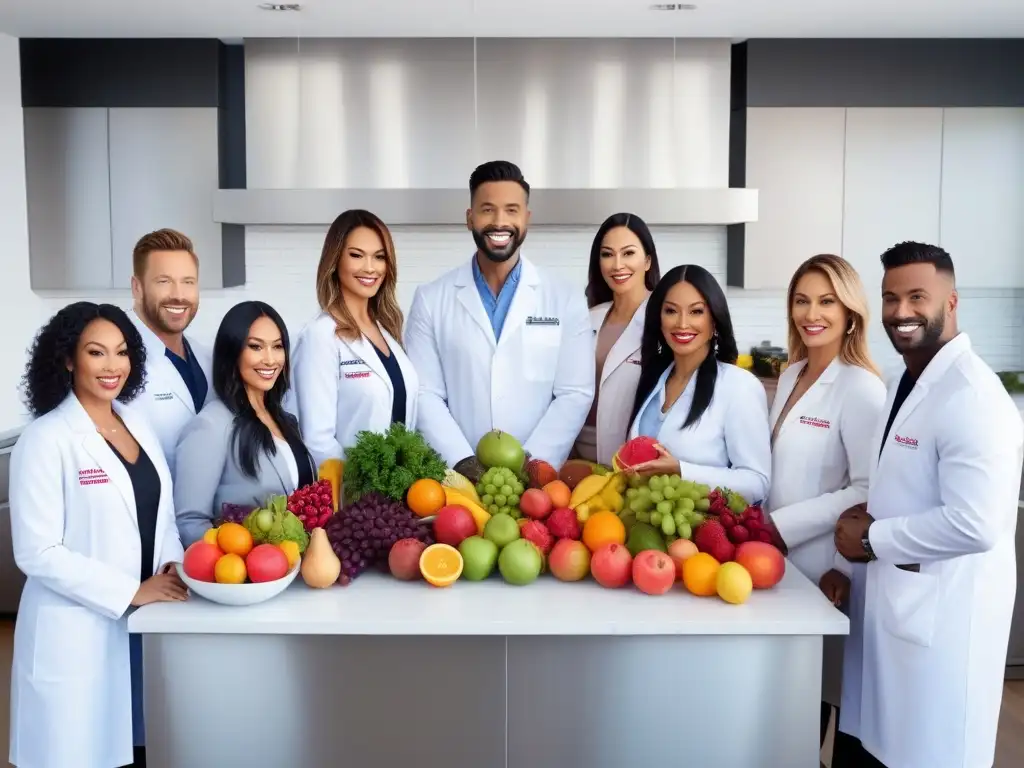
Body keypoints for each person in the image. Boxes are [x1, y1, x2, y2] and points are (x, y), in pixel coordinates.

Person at [832, 242, 1023, 768]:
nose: (901, 312)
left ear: (952, 301)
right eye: (891, 298)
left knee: (928, 752)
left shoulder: (974, 398)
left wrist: (872, 539)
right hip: (894, 611)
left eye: (918, 296)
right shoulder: (904, 381)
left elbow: (976, 523)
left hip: (940, 630)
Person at [9, 302, 187, 768]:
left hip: (140, 623)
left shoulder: (136, 423)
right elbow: (37, 551)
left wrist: (172, 563)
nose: (113, 367)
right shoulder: (46, 439)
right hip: (78, 630)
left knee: (139, 746)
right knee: (81, 752)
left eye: (122, 352)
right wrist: (132, 590)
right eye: (96, 352)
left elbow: (161, 512)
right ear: (68, 359)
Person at [763, 254, 886, 749]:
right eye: (801, 300)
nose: (811, 313)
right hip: (777, 563)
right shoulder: (791, 374)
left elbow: (866, 490)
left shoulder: (861, 387)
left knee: (812, 705)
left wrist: (782, 525)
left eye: (826, 301)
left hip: (825, 571)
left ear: (850, 311)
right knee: (782, 706)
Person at [404, 160, 594, 476]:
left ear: (527, 219)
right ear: (469, 218)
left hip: (539, 480)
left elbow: (575, 392)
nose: (499, 221)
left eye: (511, 210)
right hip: (459, 480)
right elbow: (425, 394)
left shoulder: (565, 298)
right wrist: (463, 462)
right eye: (487, 210)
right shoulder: (431, 299)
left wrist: (534, 464)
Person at [626, 265, 771, 504]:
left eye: (696, 312)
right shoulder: (653, 379)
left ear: (714, 320)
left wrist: (682, 471)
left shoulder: (738, 386)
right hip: (645, 531)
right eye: (671, 311)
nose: (682, 323)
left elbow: (757, 483)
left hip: (705, 534)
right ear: (658, 319)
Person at [175, 301, 315, 547]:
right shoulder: (210, 426)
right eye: (256, 347)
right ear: (233, 352)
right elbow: (190, 522)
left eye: (278, 346)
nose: (270, 359)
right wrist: (244, 560)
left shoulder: (286, 420)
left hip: (299, 573)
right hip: (251, 577)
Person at [289, 210, 417, 467]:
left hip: (401, 492)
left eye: (379, 257)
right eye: (356, 255)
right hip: (355, 498)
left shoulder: (387, 329)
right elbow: (317, 440)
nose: (370, 268)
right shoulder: (320, 337)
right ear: (335, 261)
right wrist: (361, 492)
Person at [574, 212, 661, 466]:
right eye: (607, 254)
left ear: (647, 261)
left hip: (635, 463)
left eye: (628, 253)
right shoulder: (588, 318)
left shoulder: (665, 319)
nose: (617, 264)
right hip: (576, 456)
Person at [126, 228, 212, 473]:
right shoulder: (115, 358)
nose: (178, 295)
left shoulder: (205, 357)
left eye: (188, 282)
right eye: (164, 282)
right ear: (137, 287)